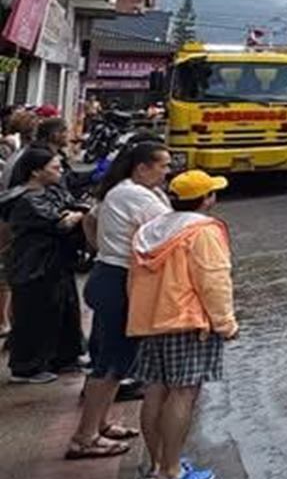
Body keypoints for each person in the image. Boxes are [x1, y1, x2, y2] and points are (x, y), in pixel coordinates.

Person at [129, 169, 238, 479]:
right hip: (187, 320)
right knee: (183, 393)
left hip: (151, 320)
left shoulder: (151, 230)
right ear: (206, 199)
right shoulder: (202, 231)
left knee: (155, 390)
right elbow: (213, 280)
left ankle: (158, 464)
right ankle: (170, 473)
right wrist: (226, 323)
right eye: (212, 192)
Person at [67, 140, 170, 459]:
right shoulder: (136, 196)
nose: (167, 171)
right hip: (120, 281)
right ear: (142, 168)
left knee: (113, 359)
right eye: (163, 165)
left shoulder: (121, 191)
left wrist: (102, 248)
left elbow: (90, 220)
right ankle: (84, 437)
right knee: (112, 362)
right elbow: (172, 232)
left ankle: (100, 424)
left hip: (108, 274)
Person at [5, 147, 87, 384]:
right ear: (35, 171)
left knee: (64, 310)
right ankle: (27, 367)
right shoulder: (26, 199)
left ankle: (63, 357)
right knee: (35, 316)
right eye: (55, 167)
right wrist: (73, 216)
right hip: (35, 265)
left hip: (57, 263)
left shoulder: (52, 192)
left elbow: (75, 208)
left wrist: (74, 214)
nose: (60, 171)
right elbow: (59, 222)